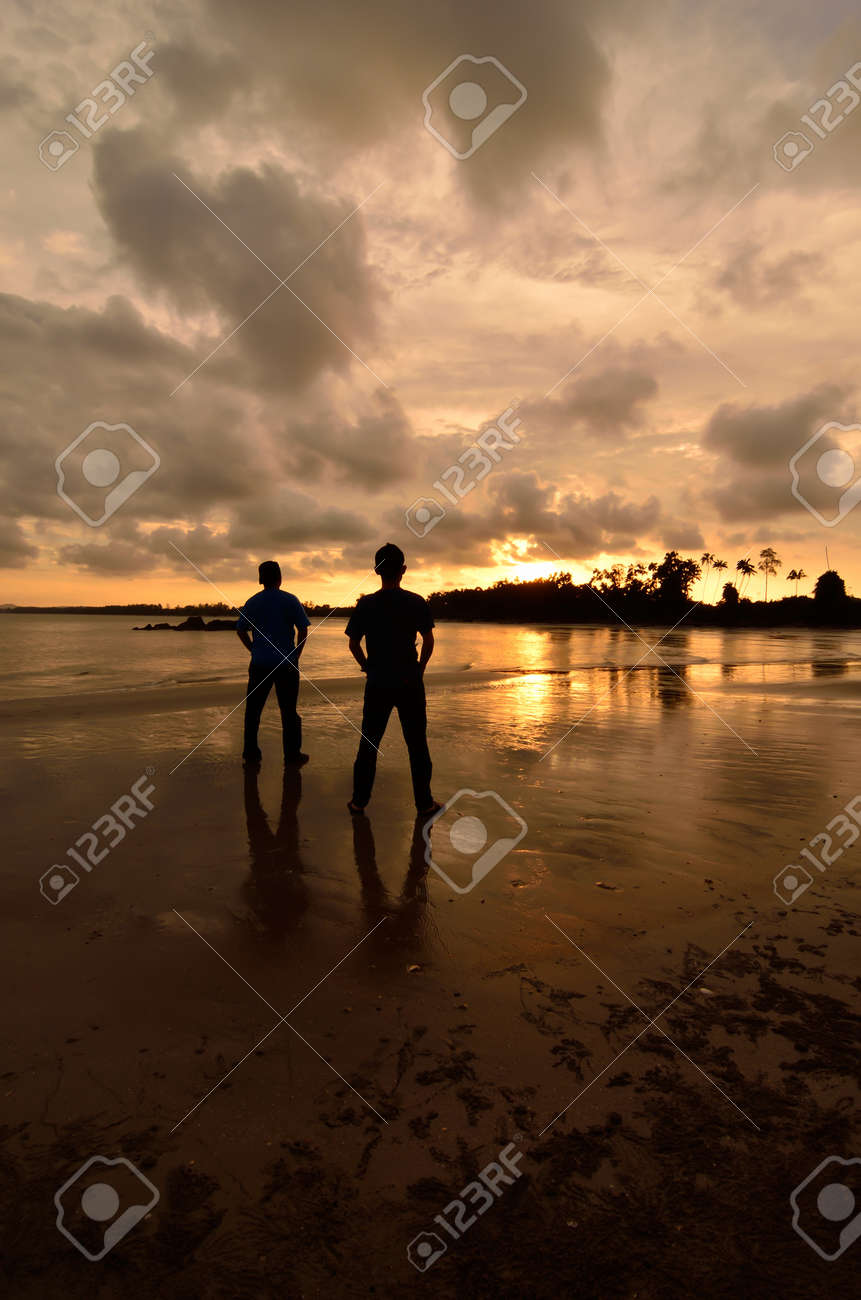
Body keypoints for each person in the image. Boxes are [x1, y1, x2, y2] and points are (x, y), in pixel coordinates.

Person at [345, 542, 441, 816]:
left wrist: (367, 667)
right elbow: (428, 639)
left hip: (378, 681)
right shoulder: (415, 601)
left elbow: (353, 643)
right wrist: (420, 668)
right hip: (409, 680)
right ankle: (424, 803)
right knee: (417, 744)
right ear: (403, 570)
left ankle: (359, 801)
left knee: (369, 743)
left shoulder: (366, 603)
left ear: (375, 570)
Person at [237, 560, 309, 766]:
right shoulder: (290, 600)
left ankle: (250, 753)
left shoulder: (253, 601)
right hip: (286, 663)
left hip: (260, 663)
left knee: (253, 710)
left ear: (260, 579)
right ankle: (292, 755)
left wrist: (253, 649)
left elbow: (240, 629)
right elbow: (303, 629)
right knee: (288, 711)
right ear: (280, 578)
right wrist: (297, 653)